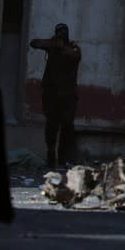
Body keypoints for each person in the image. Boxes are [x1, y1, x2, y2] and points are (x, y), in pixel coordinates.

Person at [30, 23, 82, 168]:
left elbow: (75, 55)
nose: (61, 35)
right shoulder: (51, 46)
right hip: (51, 94)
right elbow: (34, 43)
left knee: (67, 125)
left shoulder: (73, 48)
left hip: (68, 95)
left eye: (63, 33)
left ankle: (63, 156)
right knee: (52, 125)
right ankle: (51, 154)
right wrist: (52, 43)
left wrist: (62, 47)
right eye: (59, 32)